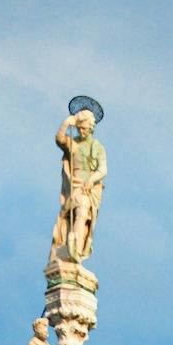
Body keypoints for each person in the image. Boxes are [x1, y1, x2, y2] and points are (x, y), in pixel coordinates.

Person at [52, 106, 106, 267]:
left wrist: (91, 180)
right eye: (79, 128)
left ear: (91, 128)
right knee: (66, 219)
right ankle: (69, 244)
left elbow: (103, 169)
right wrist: (66, 123)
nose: (81, 131)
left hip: (87, 188)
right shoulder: (73, 143)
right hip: (72, 186)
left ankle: (75, 246)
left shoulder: (96, 146)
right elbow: (59, 139)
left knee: (82, 210)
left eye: (84, 128)